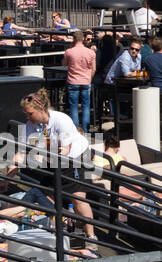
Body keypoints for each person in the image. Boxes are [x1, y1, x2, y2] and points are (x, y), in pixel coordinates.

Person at [4, 90, 95, 243]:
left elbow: (64, 151)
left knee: (78, 198)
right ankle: (62, 229)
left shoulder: (61, 120)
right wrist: (7, 178)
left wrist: (38, 155)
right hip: (54, 160)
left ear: (41, 110)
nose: (27, 117)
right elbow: (20, 154)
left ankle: (91, 237)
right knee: (44, 196)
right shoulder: (30, 126)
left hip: (78, 157)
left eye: (30, 114)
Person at [62, 31, 97, 133]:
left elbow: (64, 64)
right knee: (86, 106)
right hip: (86, 81)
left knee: (74, 106)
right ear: (83, 39)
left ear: (74, 39)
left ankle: (76, 130)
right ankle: (85, 130)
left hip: (73, 81)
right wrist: (89, 80)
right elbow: (94, 69)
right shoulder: (91, 52)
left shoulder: (69, 52)